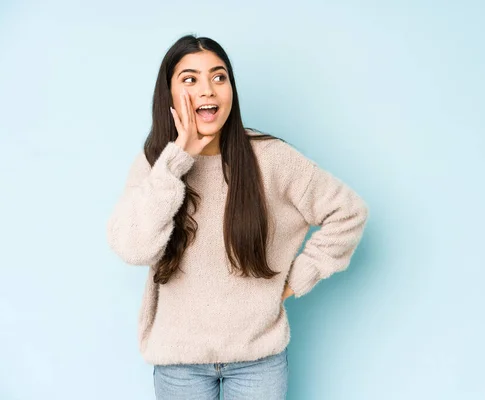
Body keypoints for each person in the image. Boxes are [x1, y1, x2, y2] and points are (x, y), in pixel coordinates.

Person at [106, 34, 369, 400]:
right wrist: (178, 158)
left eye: (219, 77)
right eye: (190, 79)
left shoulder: (271, 158)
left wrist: (297, 279)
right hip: (179, 364)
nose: (208, 90)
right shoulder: (156, 163)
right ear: (169, 94)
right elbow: (133, 247)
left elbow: (348, 212)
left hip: (257, 361)